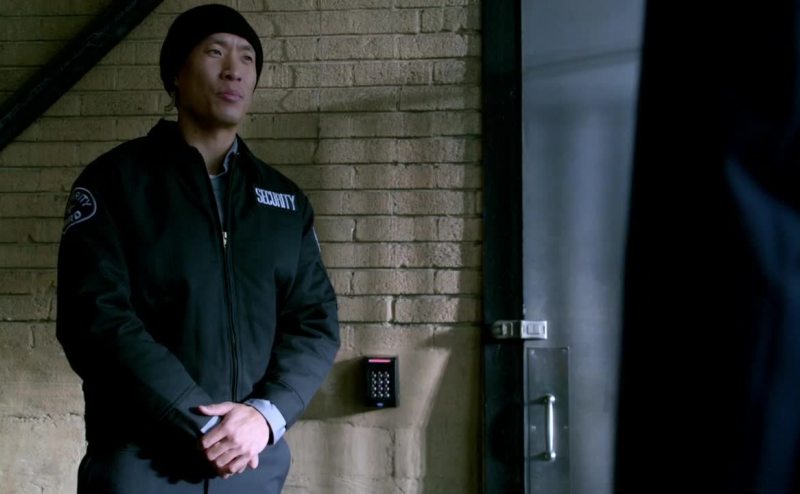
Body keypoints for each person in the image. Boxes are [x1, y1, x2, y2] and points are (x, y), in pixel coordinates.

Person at [56, 4, 340, 492]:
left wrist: (264, 416)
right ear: (176, 74)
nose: (235, 70)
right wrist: (204, 424)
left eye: (248, 58)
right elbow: (95, 320)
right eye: (215, 52)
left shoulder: (284, 202)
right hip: (141, 466)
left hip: (252, 466)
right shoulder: (116, 182)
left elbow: (315, 323)